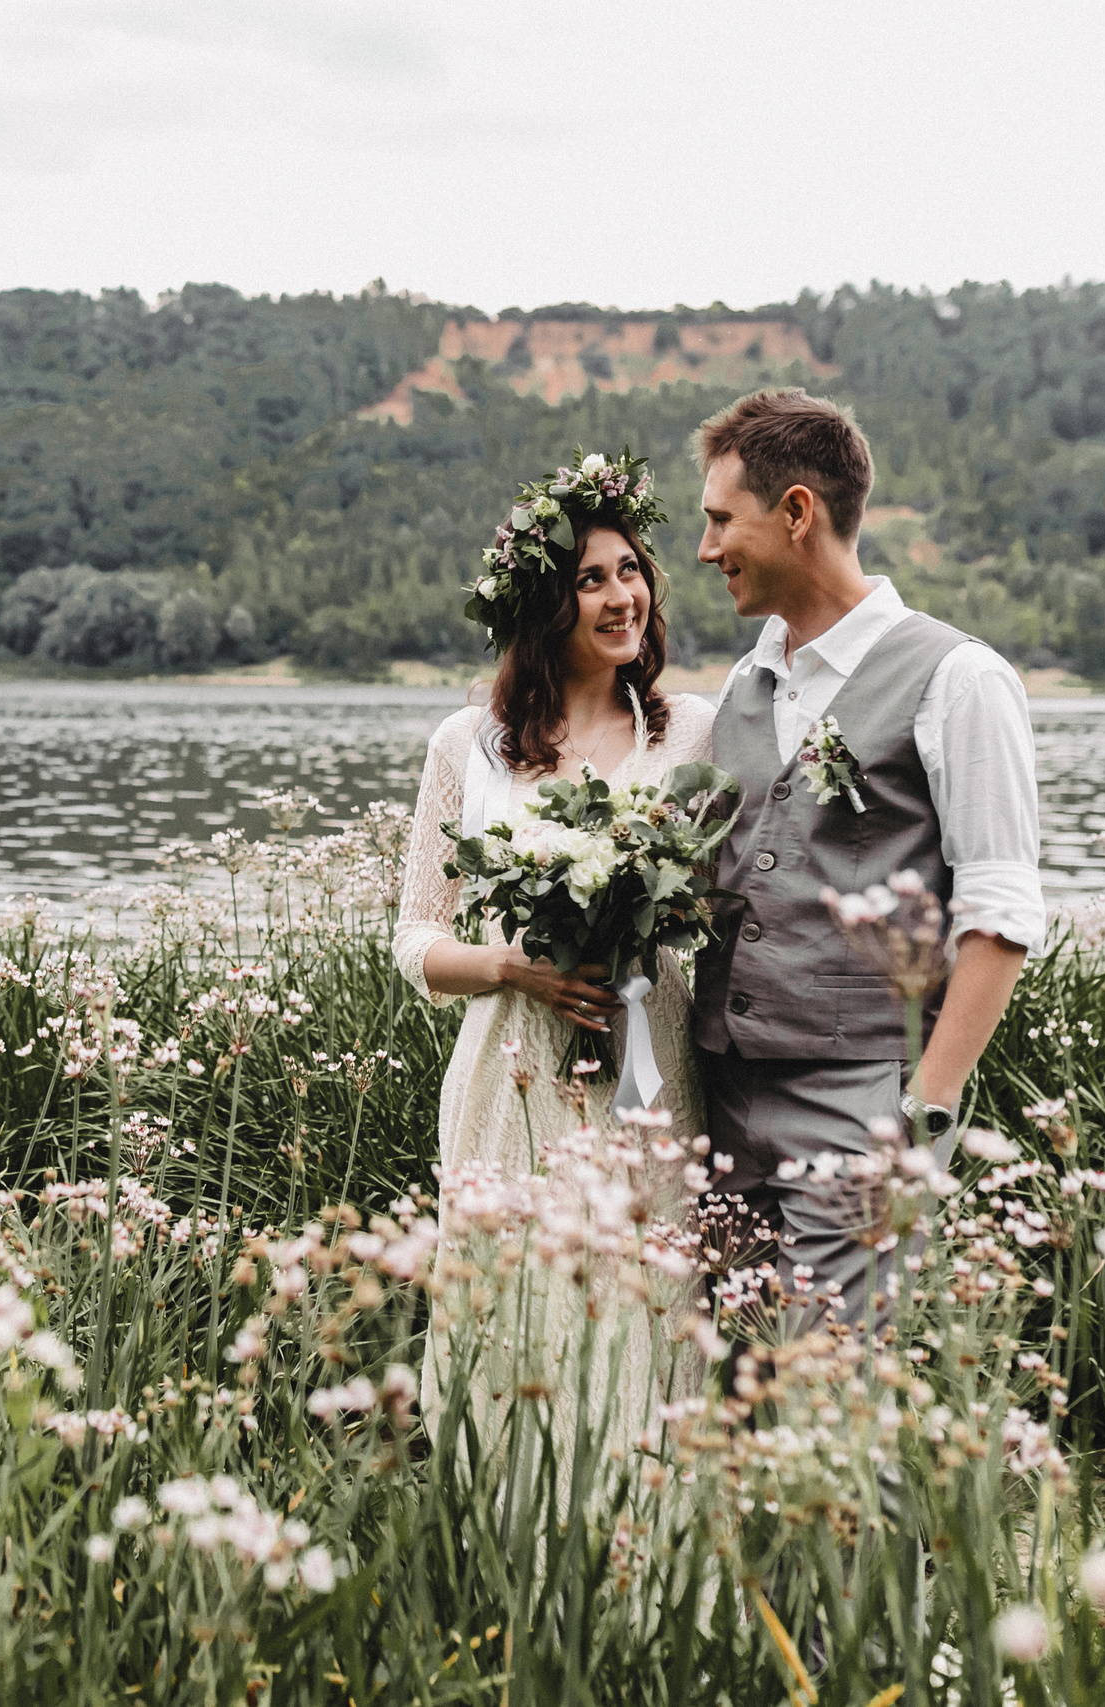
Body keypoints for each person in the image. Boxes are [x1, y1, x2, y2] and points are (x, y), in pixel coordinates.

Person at [688, 388, 1045, 1341]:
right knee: (738, 1383)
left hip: (860, 1107)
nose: (706, 547)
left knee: (832, 1401)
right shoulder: (744, 679)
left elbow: (1001, 913)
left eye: (723, 518)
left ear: (797, 513)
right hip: (722, 1096)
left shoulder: (960, 678)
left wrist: (921, 1116)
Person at [393, 450, 716, 1453]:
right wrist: (514, 968)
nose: (622, 596)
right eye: (590, 579)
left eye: (631, 571)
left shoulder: (692, 732)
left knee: (648, 1305)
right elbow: (414, 938)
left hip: (650, 1068)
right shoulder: (468, 744)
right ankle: (514, 1568)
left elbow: (731, 895)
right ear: (544, 604)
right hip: (511, 1075)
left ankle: (656, 1568)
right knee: (517, 1320)